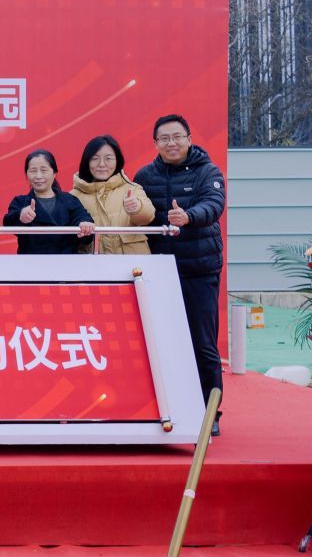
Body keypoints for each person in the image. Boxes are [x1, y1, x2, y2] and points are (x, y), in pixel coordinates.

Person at [135, 113, 227, 429]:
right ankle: (169, 408)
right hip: (158, 273)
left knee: (203, 344)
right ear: (156, 143)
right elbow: (139, 214)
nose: (171, 143)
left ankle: (209, 413)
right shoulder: (144, 176)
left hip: (199, 269)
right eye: (164, 138)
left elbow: (213, 205)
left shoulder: (208, 171)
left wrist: (188, 216)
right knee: (162, 343)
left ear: (188, 138)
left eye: (177, 137)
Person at [71, 135, 155, 257]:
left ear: (117, 161)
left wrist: (137, 208)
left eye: (108, 158)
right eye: (95, 158)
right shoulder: (74, 196)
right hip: (93, 265)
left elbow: (148, 217)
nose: (102, 164)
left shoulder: (131, 188)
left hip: (133, 264)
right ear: (86, 161)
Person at [3, 149, 97, 255]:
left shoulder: (70, 200)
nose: (38, 176)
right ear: (26, 174)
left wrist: (84, 225)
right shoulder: (20, 202)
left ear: (54, 173)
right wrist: (20, 216)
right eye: (33, 171)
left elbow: (82, 218)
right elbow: (8, 222)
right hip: (30, 262)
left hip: (66, 262)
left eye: (44, 170)